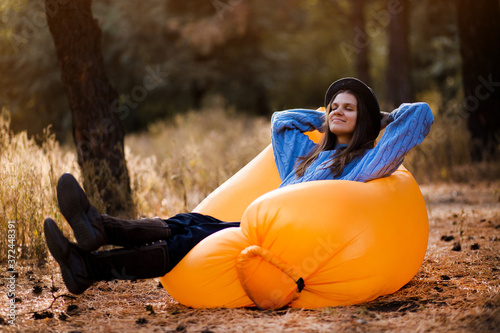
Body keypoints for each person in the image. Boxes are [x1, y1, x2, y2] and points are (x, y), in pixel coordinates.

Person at [44, 77, 434, 295]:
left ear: (364, 117)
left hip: (294, 249)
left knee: (188, 237)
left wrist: (377, 117)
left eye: (348, 107)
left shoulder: (367, 162)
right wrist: (322, 119)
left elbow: (420, 116)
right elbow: (281, 120)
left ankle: (92, 258)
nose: (337, 111)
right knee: (190, 224)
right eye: (333, 105)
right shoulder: (305, 157)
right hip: (266, 232)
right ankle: (97, 240)